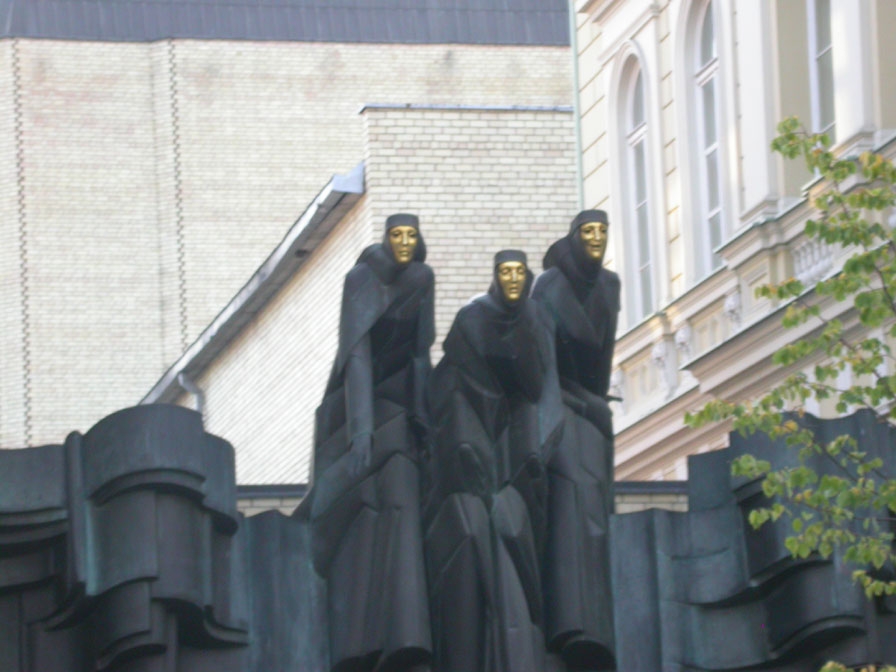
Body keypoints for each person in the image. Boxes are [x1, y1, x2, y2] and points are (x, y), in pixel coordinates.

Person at [424, 250, 563, 672]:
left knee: (514, 522)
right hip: (471, 430)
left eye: (520, 272)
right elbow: (454, 389)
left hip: (514, 438)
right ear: (495, 277)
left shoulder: (537, 319)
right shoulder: (473, 320)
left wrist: (535, 449)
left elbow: (542, 391)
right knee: (479, 525)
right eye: (505, 272)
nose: (513, 279)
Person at [309, 213, 434, 672]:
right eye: (396, 235)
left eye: (411, 235)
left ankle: (404, 635)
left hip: (399, 398)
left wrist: (424, 417)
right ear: (385, 239)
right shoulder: (362, 278)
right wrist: (360, 428)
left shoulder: (422, 278)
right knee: (377, 478)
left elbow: (420, 353)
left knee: (401, 486)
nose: (404, 242)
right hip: (354, 405)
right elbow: (357, 355)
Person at [531, 209, 620, 670]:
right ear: (574, 237)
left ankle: (596, 622)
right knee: (573, 496)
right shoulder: (549, 286)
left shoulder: (609, 286)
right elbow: (542, 367)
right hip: (557, 406)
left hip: (589, 407)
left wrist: (598, 407)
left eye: (603, 231)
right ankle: (570, 622)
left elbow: (602, 362)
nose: (597, 238)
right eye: (589, 231)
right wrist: (578, 409)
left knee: (596, 501)